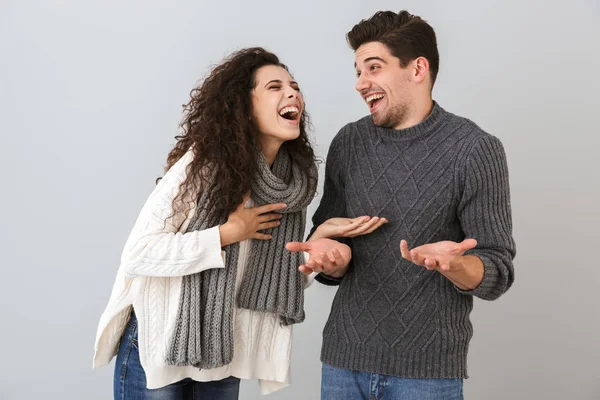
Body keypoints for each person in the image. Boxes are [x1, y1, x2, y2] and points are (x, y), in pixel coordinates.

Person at [286, 10, 516, 400]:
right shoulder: (349, 143)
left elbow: (498, 272)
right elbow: (329, 242)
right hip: (344, 364)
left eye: (373, 67)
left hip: (427, 375)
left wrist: (455, 264)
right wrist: (331, 259)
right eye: (357, 71)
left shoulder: (476, 149)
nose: (361, 83)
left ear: (418, 68)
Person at [93, 47, 342, 399]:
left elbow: (267, 284)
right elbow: (138, 253)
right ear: (244, 107)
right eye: (275, 87)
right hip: (161, 344)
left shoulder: (291, 183)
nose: (292, 94)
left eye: (294, 86)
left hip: (223, 350)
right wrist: (226, 234)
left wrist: (316, 249)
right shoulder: (204, 166)